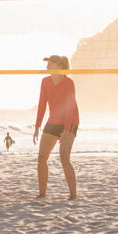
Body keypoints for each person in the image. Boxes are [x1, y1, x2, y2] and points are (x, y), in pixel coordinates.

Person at [33, 55, 79, 199]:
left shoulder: (68, 83)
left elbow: (70, 107)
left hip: (70, 121)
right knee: (41, 158)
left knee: (64, 158)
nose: (47, 67)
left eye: (50, 64)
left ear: (59, 66)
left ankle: (73, 195)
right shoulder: (45, 82)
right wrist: (37, 127)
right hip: (53, 121)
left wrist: (66, 131)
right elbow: (42, 105)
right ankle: (42, 194)